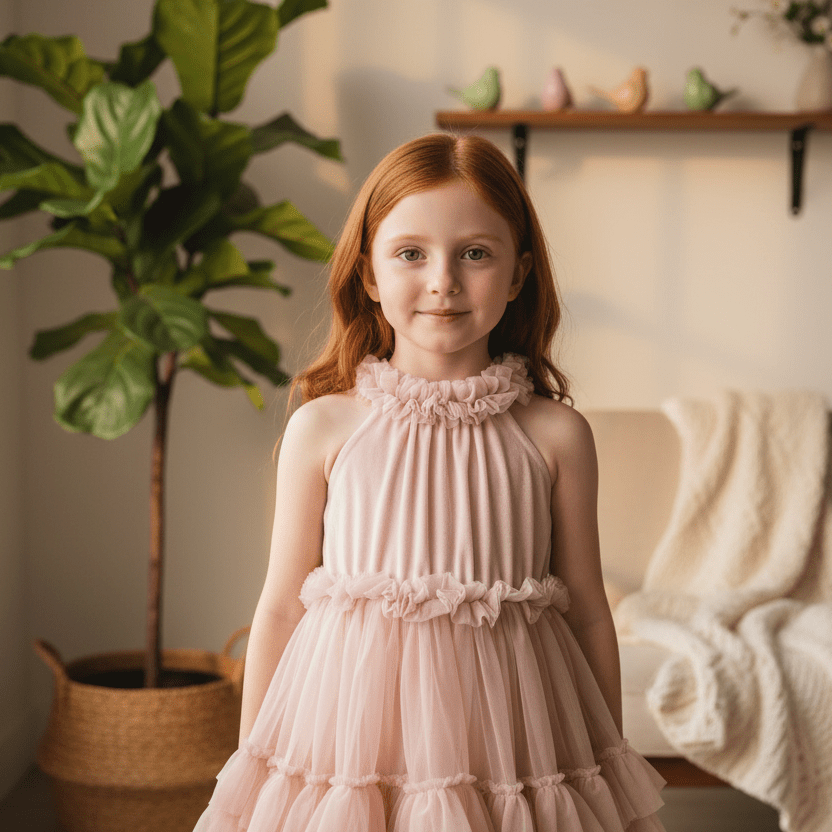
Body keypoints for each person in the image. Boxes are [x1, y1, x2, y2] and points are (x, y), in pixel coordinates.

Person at [194, 133, 666, 831]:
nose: (443, 280)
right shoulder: (323, 428)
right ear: (368, 275)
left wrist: (604, 762)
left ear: (517, 275)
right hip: (353, 745)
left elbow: (589, 612)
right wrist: (254, 772)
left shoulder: (556, 436)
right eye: (411, 253)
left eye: (475, 254)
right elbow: (281, 610)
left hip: (512, 748)